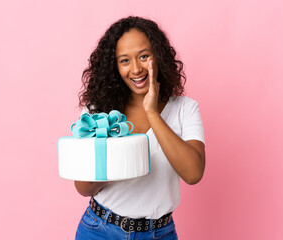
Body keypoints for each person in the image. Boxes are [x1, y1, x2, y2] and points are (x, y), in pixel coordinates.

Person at [74, 16, 205, 239]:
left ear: (158, 56)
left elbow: (193, 174)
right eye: (124, 60)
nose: (136, 69)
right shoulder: (97, 110)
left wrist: (152, 113)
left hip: (158, 233)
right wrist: (121, 158)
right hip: (99, 229)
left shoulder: (185, 109)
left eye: (144, 56)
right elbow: (83, 187)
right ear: (114, 66)